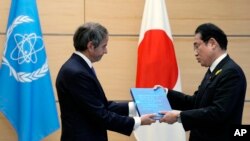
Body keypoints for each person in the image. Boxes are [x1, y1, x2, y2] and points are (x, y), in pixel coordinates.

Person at [56, 22, 156, 141]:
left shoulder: (79, 67)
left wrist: (137, 106)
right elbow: (100, 115)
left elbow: (102, 105)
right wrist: (138, 121)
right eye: (104, 46)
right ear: (91, 46)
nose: (106, 51)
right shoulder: (77, 73)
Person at [158, 23, 247, 141]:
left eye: (197, 46)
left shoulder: (231, 72)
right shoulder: (214, 70)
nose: (195, 52)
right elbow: (196, 102)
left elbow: (217, 113)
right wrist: (166, 93)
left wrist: (179, 116)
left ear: (212, 43)